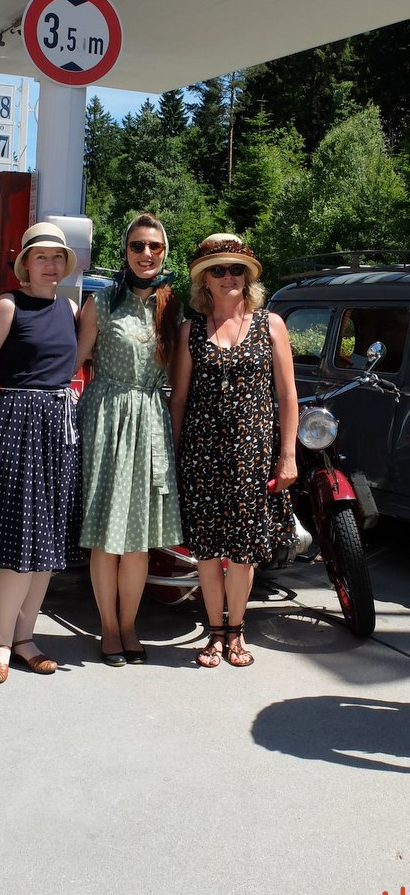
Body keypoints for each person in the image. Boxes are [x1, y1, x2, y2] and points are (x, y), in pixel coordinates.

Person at [169, 234, 298, 668]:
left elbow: (287, 397)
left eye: (237, 269)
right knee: (207, 550)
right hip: (200, 453)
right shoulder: (190, 330)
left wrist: (288, 455)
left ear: (248, 277)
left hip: (253, 455)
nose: (229, 276)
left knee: (243, 550)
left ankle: (237, 630)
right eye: (218, 270)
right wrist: (173, 457)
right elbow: (179, 401)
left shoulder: (271, 325)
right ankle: (214, 632)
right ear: (204, 280)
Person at [0, 222, 82, 684]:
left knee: (47, 543)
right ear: (26, 264)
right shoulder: (7, 306)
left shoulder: (70, 308)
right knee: (19, 545)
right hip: (16, 426)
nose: (50, 265)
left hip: (58, 429)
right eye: (41, 257)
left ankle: (25, 638)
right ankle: (0, 642)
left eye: (57, 258)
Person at [75, 213, 182, 666]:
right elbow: (73, 364)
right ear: (125, 251)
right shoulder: (101, 303)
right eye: (138, 245)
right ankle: (108, 628)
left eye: (154, 246)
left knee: (137, 538)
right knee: (105, 535)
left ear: (165, 252)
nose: (146, 253)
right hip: (106, 420)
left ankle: (129, 625)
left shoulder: (173, 307)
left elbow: (179, 377)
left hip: (150, 423)